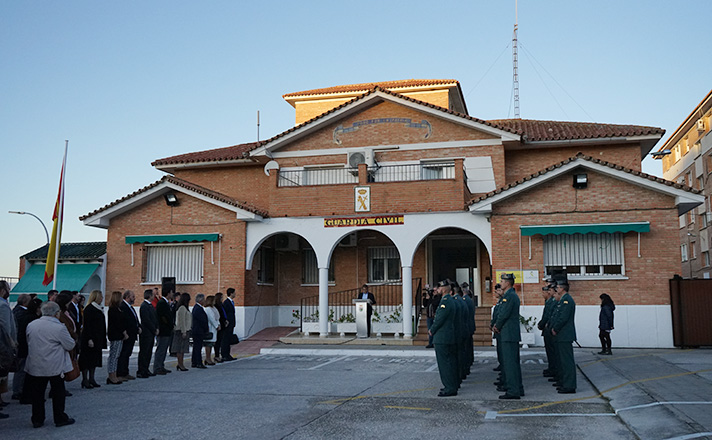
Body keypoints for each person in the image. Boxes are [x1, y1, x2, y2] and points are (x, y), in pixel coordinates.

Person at [24, 301, 76, 428]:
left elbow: (28, 340)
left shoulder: (32, 325)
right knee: (58, 393)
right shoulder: (59, 328)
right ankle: (59, 418)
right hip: (54, 365)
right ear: (57, 313)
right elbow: (70, 345)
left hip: (36, 363)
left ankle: (37, 419)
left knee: (37, 394)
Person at [492, 273, 523, 400]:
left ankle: (513, 390)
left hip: (508, 334)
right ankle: (517, 388)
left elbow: (504, 314)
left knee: (510, 364)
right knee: (512, 363)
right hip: (508, 334)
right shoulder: (510, 295)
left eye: (502, 281)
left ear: (508, 283)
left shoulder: (509, 296)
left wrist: (497, 325)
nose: (501, 283)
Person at [429, 280, 457, 397]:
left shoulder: (446, 301)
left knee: (444, 364)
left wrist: (432, 329)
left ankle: (449, 387)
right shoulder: (448, 300)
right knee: (448, 362)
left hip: (443, 336)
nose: (437, 289)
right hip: (446, 335)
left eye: (439, 287)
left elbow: (440, 319)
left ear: (444, 289)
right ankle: (450, 385)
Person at [551, 282, 577, 394]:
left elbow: (563, 317)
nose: (556, 289)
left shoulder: (566, 300)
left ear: (562, 288)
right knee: (563, 361)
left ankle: (569, 385)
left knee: (567, 361)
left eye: (557, 287)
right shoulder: (563, 300)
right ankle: (565, 382)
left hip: (565, 335)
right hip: (562, 335)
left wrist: (555, 328)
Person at [78, 290, 106, 389]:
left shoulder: (99, 308)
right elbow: (87, 325)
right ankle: (85, 379)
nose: (102, 298)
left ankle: (92, 378)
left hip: (98, 337)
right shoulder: (89, 309)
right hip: (90, 337)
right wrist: (89, 338)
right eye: (100, 296)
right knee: (87, 359)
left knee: (94, 359)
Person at [55, 292, 79, 393]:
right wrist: (74, 335)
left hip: (70, 338)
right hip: (65, 341)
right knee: (62, 366)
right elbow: (66, 327)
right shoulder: (60, 314)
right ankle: (58, 389)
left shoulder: (67, 312)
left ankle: (61, 387)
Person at [0, 280, 17, 418]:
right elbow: (6, 327)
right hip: (3, 344)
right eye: (7, 288)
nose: (9, 291)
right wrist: (11, 342)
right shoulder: (3, 305)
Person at [12, 294, 33, 402]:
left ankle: (19, 389)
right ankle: (18, 390)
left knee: (21, 368)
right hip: (21, 344)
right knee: (21, 368)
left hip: (20, 343)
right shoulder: (22, 313)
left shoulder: (17, 311)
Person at [117, 290, 140, 381]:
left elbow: (135, 319)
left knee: (127, 354)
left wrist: (138, 327)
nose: (134, 298)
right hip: (127, 334)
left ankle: (125, 372)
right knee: (124, 354)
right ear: (127, 297)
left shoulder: (131, 307)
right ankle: (121, 373)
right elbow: (126, 321)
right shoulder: (123, 307)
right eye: (132, 296)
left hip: (132, 334)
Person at [538, 277, 558, 379]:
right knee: (549, 352)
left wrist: (542, 324)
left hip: (550, 329)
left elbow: (548, 315)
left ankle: (554, 370)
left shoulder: (553, 301)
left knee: (553, 352)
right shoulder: (549, 301)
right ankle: (551, 368)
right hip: (547, 328)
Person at [106, 291, 127, 385]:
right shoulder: (113, 309)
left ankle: (114, 374)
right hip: (115, 335)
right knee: (113, 356)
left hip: (119, 335)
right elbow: (117, 323)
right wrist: (124, 332)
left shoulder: (118, 308)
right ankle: (111, 375)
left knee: (116, 356)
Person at [137, 289, 158, 378]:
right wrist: (154, 329)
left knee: (149, 352)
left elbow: (154, 318)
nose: (154, 296)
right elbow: (146, 320)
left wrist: (156, 327)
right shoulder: (144, 306)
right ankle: (141, 370)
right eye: (153, 295)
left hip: (151, 333)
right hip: (146, 332)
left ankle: (146, 369)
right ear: (149, 296)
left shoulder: (150, 305)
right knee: (144, 352)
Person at [153, 290, 174, 375]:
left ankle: (161, 365)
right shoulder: (162, 303)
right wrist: (169, 324)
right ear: (168, 293)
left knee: (164, 349)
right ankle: (157, 367)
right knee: (161, 349)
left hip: (166, 330)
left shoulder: (165, 302)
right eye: (171, 292)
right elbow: (163, 317)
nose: (172, 294)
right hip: (163, 330)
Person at [172, 293, 192, 371]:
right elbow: (182, 321)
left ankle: (181, 364)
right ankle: (180, 364)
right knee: (180, 349)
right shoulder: (182, 308)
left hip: (185, 330)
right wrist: (184, 331)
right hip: (181, 331)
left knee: (183, 349)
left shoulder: (184, 308)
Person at [191, 294, 209, 369]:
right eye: (203, 300)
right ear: (200, 300)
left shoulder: (197, 308)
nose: (204, 301)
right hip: (198, 330)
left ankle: (194, 361)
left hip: (197, 330)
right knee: (198, 347)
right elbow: (202, 320)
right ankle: (198, 362)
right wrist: (205, 328)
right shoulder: (198, 309)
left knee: (196, 346)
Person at [203, 295, 220, 365]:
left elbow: (217, 317)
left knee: (211, 344)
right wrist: (216, 325)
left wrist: (218, 324)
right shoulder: (208, 309)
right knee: (208, 344)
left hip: (214, 327)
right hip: (210, 328)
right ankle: (207, 358)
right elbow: (211, 318)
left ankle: (209, 358)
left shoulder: (214, 308)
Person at [221, 288, 237, 361]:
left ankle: (228, 354)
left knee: (229, 339)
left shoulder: (231, 302)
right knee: (225, 339)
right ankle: (224, 354)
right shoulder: (226, 303)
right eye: (234, 293)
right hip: (227, 324)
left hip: (231, 323)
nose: (235, 294)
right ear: (231, 293)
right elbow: (225, 314)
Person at [213, 292, 226, 363]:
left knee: (220, 340)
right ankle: (216, 355)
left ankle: (218, 355)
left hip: (223, 324)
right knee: (218, 341)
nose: (222, 299)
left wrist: (225, 320)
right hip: (219, 325)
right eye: (221, 297)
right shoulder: (216, 306)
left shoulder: (221, 305)